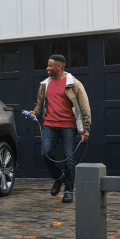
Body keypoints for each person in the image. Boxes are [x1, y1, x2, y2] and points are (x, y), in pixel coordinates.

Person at [29, 54, 91, 203]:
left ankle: (68, 190)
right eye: (47, 65)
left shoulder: (74, 84)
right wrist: (35, 113)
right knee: (46, 153)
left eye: (50, 65)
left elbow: (84, 107)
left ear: (60, 66)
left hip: (68, 126)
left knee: (69, 158)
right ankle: (58, 177)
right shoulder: (44, 84)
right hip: (49, 124)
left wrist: (85, 129)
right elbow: (40, 104)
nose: (47, 68)